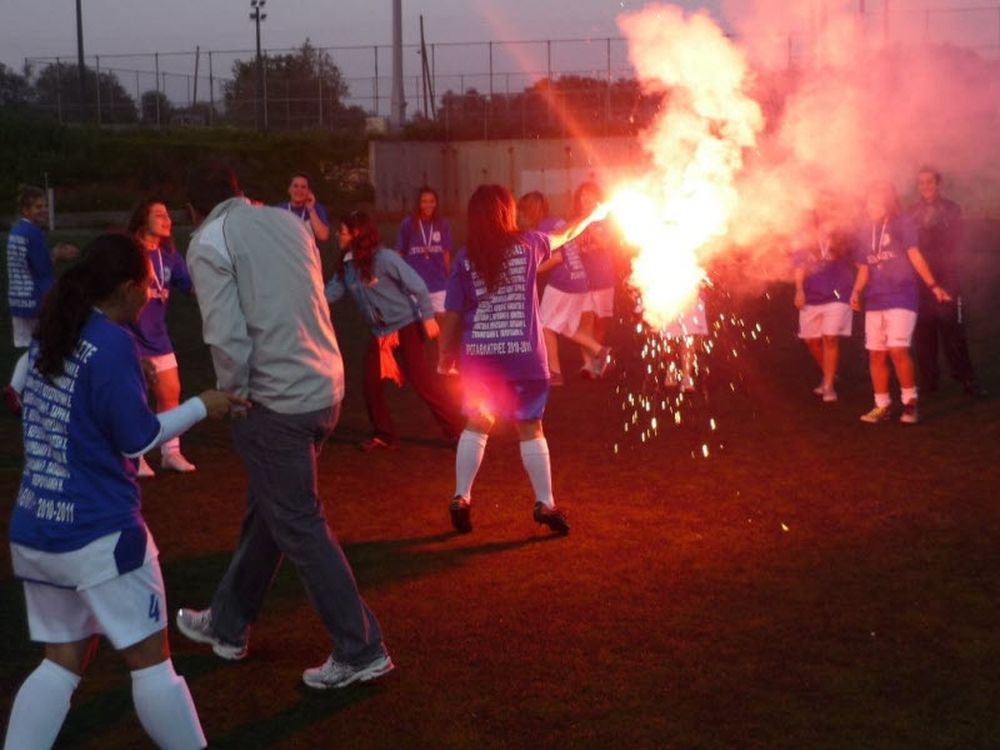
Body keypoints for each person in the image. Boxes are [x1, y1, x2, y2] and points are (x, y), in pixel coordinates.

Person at [4, 233, 240, 750]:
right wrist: (204, 404)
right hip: (99, 535)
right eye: (148, 285)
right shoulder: (111, 342)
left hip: (37, 531)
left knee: (60, 664)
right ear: (129, 288)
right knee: (152, 666)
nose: (153, 293)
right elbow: (137, 438)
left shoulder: (55, 329)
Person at [175, 161, 393, 690]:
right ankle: (227, 624)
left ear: (192, 211)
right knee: (270, 511)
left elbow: (226, 334)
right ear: (240, 191)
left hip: (277, 401)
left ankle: (361, 647)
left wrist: (233, 395)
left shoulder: (207, 242)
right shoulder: (288, 222)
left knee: (296, 520)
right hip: (324, 388)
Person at [440, 184, 607, 535]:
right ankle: (545, 503)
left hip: (480, 360)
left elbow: (453, 314)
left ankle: (461, 497)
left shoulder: (465, 256)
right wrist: (592, 215)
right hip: (524, 358)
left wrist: (446, 356)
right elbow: (564, 234)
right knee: (531, 427)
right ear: (506, 212)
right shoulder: (528, 244)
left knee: (477, 422)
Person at [326, 210, 464, 451]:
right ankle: (385, 435)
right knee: (370, 382)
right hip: (380, 333)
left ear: (357, 233)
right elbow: (331, 292)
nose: (340, 235)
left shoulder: (385, 258)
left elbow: (419, 286)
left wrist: (428, 319)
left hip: (406, 326)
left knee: (422, 382)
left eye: (344, 231)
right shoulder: (347, 265)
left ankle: (459, 431)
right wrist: (306, 300)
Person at [850, 181, 950, 425]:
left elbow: (915, 255)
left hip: (901, 296)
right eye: (869, 202)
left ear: (887, 202)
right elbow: (863, 268)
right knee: (875, 355)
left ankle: (910, 402)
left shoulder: (902, 223)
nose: (871, 206)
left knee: (897, 350)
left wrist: (934, 286)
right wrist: (856, 292)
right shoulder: (864, 231)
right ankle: (881, 405)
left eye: (876, 201)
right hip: (875, 299)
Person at [127, 199, 197, 476]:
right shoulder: (130, 253)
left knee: (171, 393)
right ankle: (137, 455)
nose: (167, 219)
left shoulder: (169, 256)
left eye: (168, 214)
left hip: (158, 337)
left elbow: (191, 287)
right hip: (131, 337)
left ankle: (171, 452)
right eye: (159, 215)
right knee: (136, 398)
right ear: (144, 220)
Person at [520, 190, 610, 386]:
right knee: (567, 326)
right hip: (579, 279)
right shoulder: (558, 222)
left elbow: (558, 258)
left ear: (530, 211)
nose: (520, 217)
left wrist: (529, 270)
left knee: (544, 326)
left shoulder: (543, 228)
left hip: (563, 282)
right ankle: (599, 350)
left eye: (522, 212)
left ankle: (555, 373)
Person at [908, 166, 984, 397]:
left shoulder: (951, 208)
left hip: (948, 277)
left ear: (938, 183)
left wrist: (952, 278)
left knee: (954, 333)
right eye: (921, 182)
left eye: (930, 181)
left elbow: (956, 241)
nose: (926, 186)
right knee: (923, 334)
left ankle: (966, 379)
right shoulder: (911, 213)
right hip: (921, 281)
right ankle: (930, 380)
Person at [4, 185, 79, 416]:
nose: (43, 210)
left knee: (32, 347)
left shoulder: (16, 231)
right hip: (37, 299)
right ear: (25, 209)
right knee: (46, 345)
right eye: (38, 206)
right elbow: (43, 269)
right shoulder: (33, 233)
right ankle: (18, 388)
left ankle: (19, 389)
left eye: (44, 206)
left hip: (18, 298)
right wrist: (58, 255)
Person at [792, 199, 856, 402]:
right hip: (812, 296)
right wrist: (799, 290)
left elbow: (858, 262)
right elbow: (799, 266)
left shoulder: (843, 235)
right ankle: (830, 373)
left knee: (830, 338)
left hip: (838, 295)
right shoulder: (805, 236)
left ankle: (828, 385)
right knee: (811, 341)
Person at [573, 181, 619, 378]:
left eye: (589, 197)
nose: (585, 201)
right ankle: (588, 364)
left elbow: (606, 243)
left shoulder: (606, 222)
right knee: (584, 323)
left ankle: (598, 363)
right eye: (582, 197)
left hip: (602, 279)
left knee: (599, 323)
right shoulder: (575, 222)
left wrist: (590, 225)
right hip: (582, 280)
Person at [395, 186, 452, 323]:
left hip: (438, 283)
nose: (428, 205)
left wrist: (449, 276)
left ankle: (441, 346)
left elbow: (445, 253)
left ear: (436, 203)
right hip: (415, 283)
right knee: (418, 325)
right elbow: (399, 253)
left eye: (431, 201)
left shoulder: (442, 223)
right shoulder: (408, 224)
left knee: (442, 322)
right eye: (424, 201)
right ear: (418, 204)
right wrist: (399, 278)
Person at [277, 172, 330, 242]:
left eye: (303, 187)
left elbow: (323, 236)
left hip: (307, 252)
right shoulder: (280, 209)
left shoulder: (316, 208)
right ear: (289, 189)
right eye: (295, 186)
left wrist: (311, 209)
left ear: (309, 191)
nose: (299, 190)